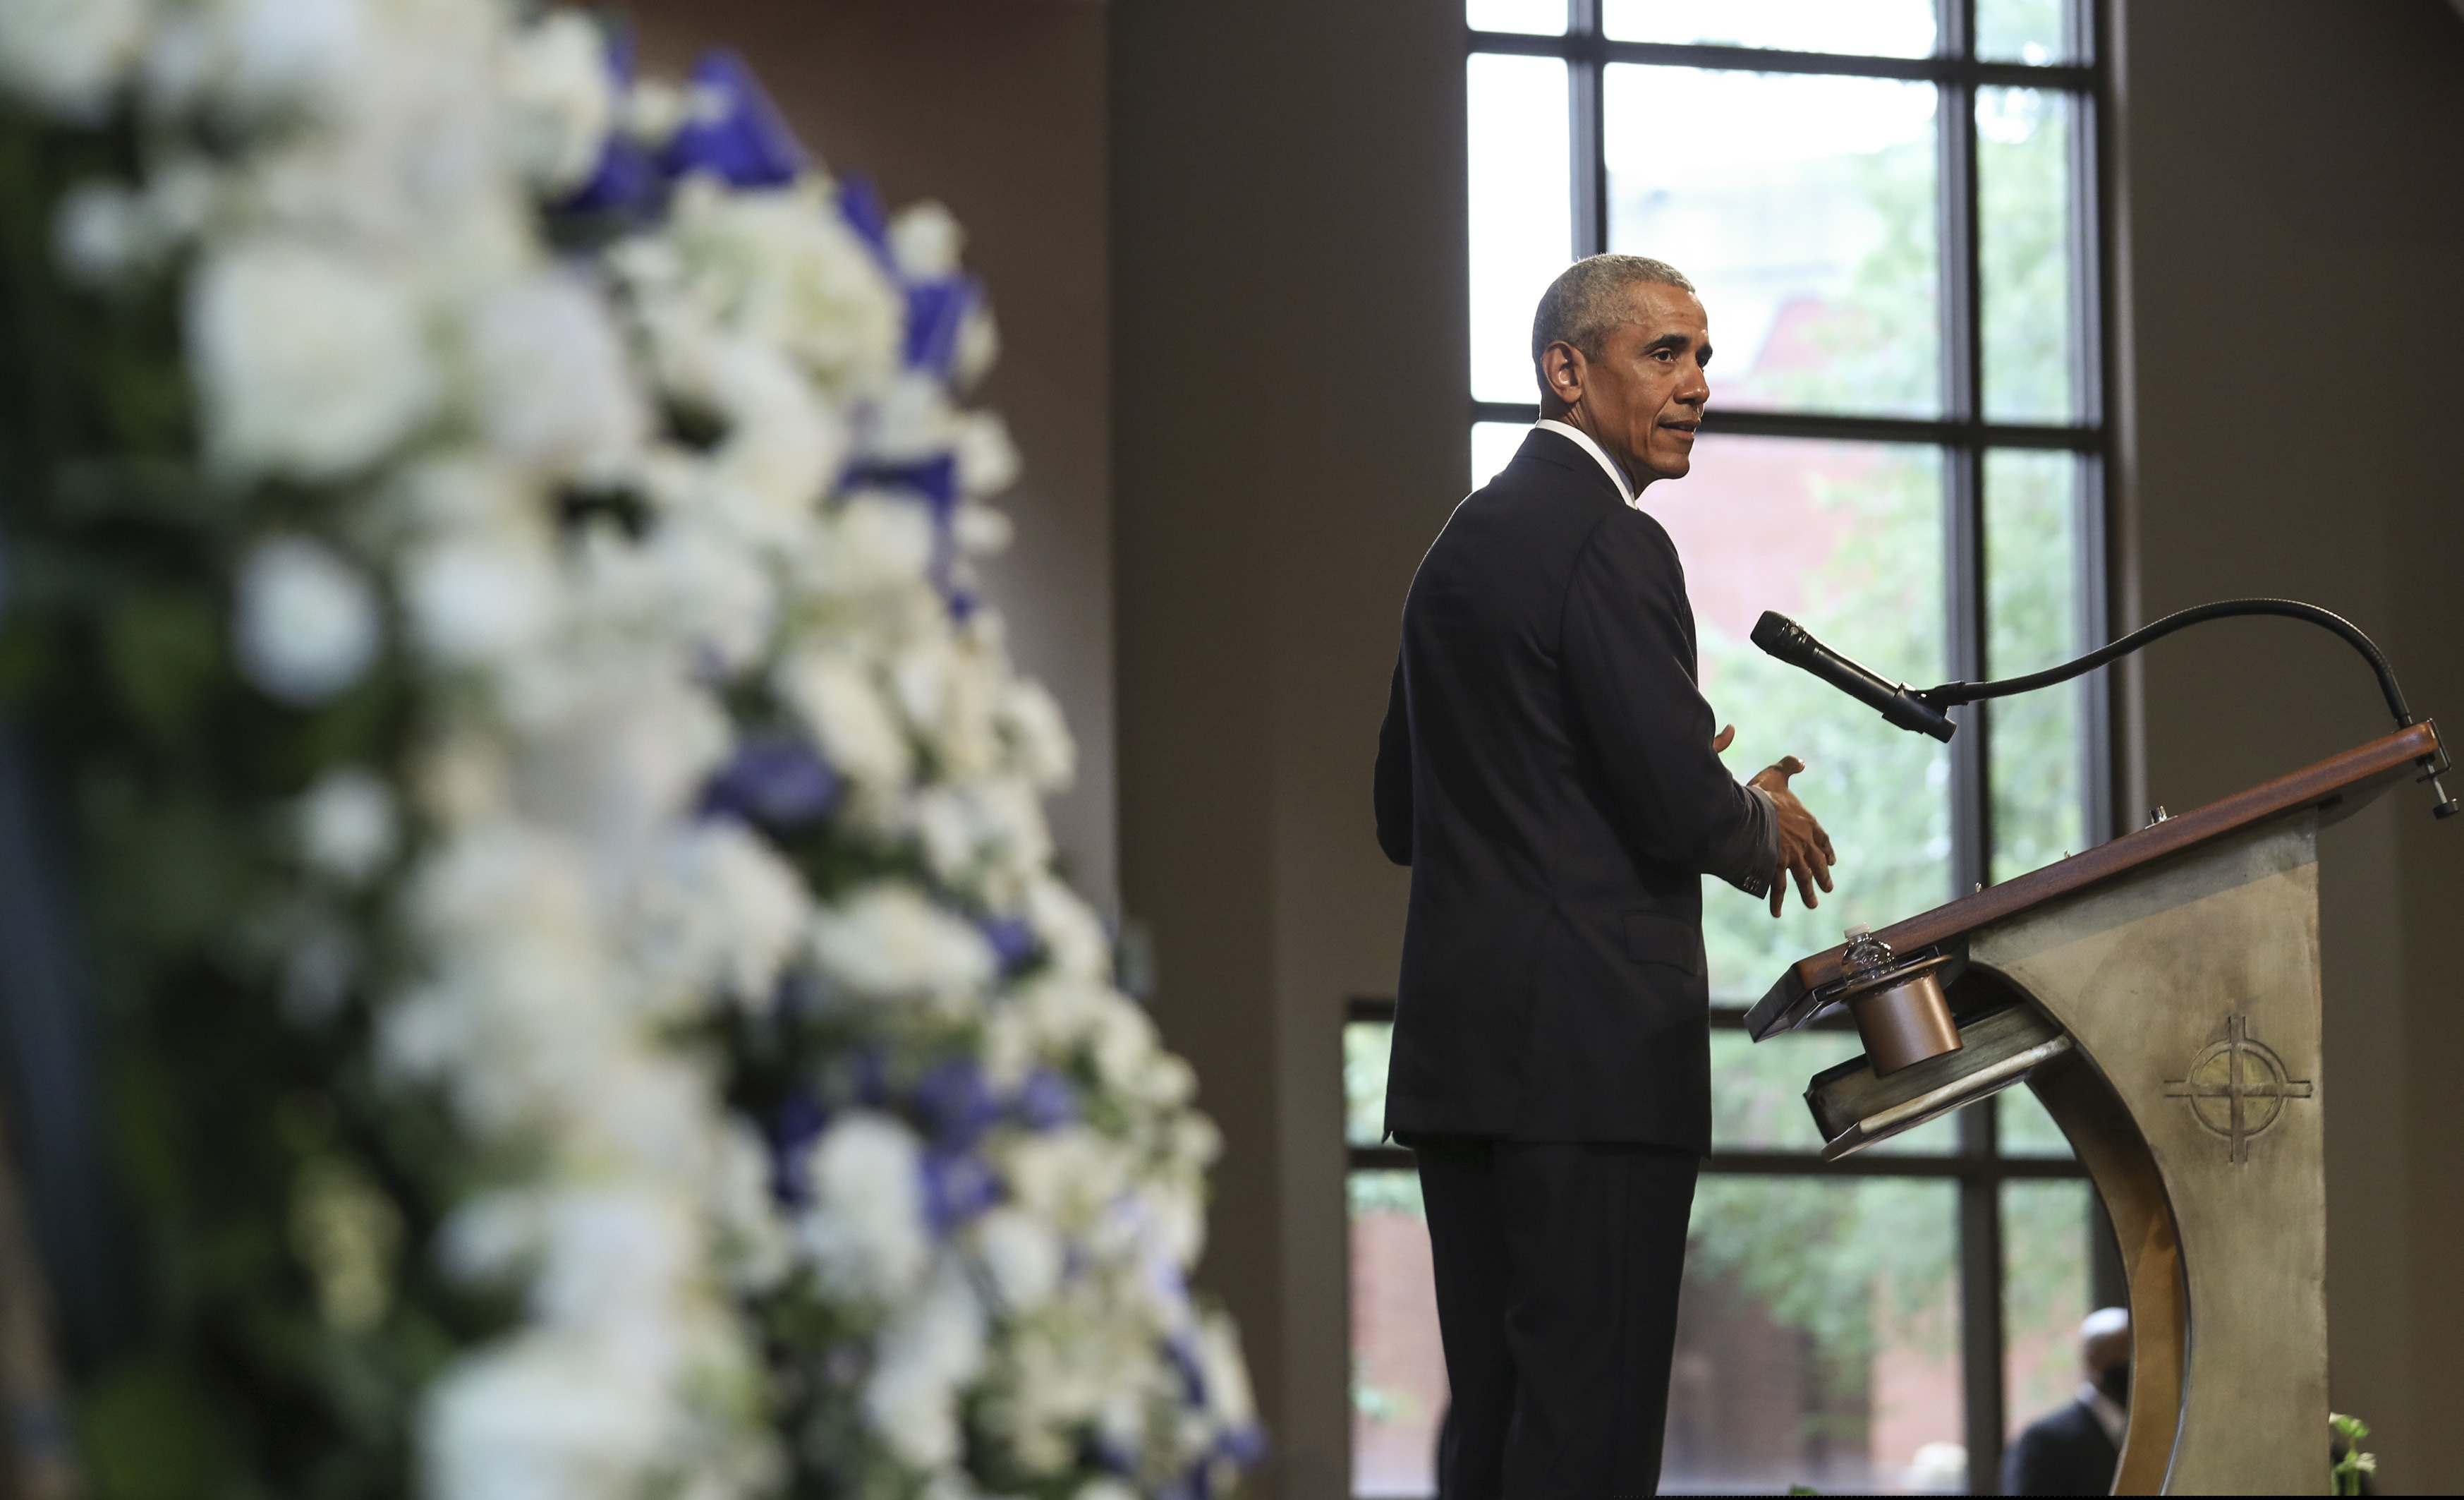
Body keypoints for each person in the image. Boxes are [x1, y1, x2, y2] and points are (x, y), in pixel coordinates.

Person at [1373, 254, 1837, 1497]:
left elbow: (1399, 811)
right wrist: (1756, 818)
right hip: (1587, 1069)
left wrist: (1610, 776)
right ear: (1564, 371)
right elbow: (1671, 794)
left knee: (1498, 1430)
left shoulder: (1456, 549)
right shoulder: (1611, 543)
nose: (1695, 383)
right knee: (1589, 1431)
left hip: (1465, 1064)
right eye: (1661, 353)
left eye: (1700, 356)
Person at [2003, 1307, 2130, 1496]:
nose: (2131, 1362)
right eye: (2122, 1352)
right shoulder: (2044, 1442)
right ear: (2093, 1359)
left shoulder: (2157, 1431)